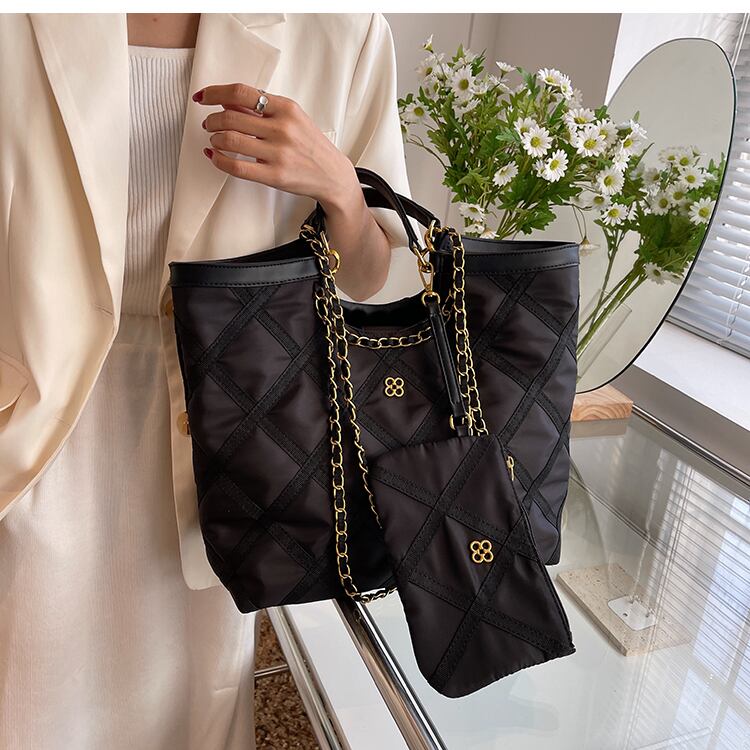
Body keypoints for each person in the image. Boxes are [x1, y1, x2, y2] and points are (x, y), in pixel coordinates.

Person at [0, 12, 412, 749]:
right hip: (34, 420)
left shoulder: (341, 29)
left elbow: (369, 278)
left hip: (222, 438)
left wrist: (341, 191)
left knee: (186, 708)